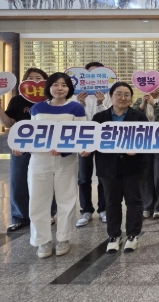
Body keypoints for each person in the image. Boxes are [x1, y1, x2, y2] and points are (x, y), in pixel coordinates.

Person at [83, 82, 148, 253]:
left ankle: (133, 235)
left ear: (131, 98)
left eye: (127, 94)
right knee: (111, 202)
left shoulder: (139, 116)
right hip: (107, 167)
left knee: (134, 201)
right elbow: (93, 140)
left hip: (133, 166)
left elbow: (148, 141)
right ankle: (114, 235)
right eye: (118, 94)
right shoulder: (100, 117)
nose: (123, 98)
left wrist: (138, 148)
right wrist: (87, 149)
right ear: (110, 96)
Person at [28, 72, 86, 258]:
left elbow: (81, 136)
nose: (60, 88)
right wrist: (20, 146)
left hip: (65, 161)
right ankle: (42, 240)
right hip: (39, 160)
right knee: (38, 200)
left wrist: (65, 149)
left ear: (69, 88)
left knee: (66, 199)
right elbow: (30, 134)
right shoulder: (37, 108)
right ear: (49, 87)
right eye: (55, 84)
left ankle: (63, 238)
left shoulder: (76, 108)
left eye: (64, 85)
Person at [1, 68, 56, 233]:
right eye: (30, 78)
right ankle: (19, 217)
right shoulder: (17, 100)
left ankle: (48, 214)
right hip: (21, 145)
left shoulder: (52, 99)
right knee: (18, 181)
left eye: (39, 78)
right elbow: (8, 123)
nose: (35, 81)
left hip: (46, 144)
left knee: (47, 180)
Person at [133, 78, 159, 219]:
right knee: (145, 175)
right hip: (144, 142)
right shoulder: (139, 101)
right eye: (149, 85)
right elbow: (132, 118)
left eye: (155, 85)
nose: (152, 88)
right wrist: (143, 104)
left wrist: (154, 104)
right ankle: (147, 205)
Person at [76, 61, 112, 227]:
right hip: (83, 139)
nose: (94, 78)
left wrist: (100, 103)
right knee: (84, 176)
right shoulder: (77, 95)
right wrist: (80, 105)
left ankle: (103, 208)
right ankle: (86, 210)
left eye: (98, 74)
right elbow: (77, 121)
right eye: (90, 74)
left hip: (103, 139)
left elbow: (108, 119)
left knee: (103, 175)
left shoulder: (109, 94)